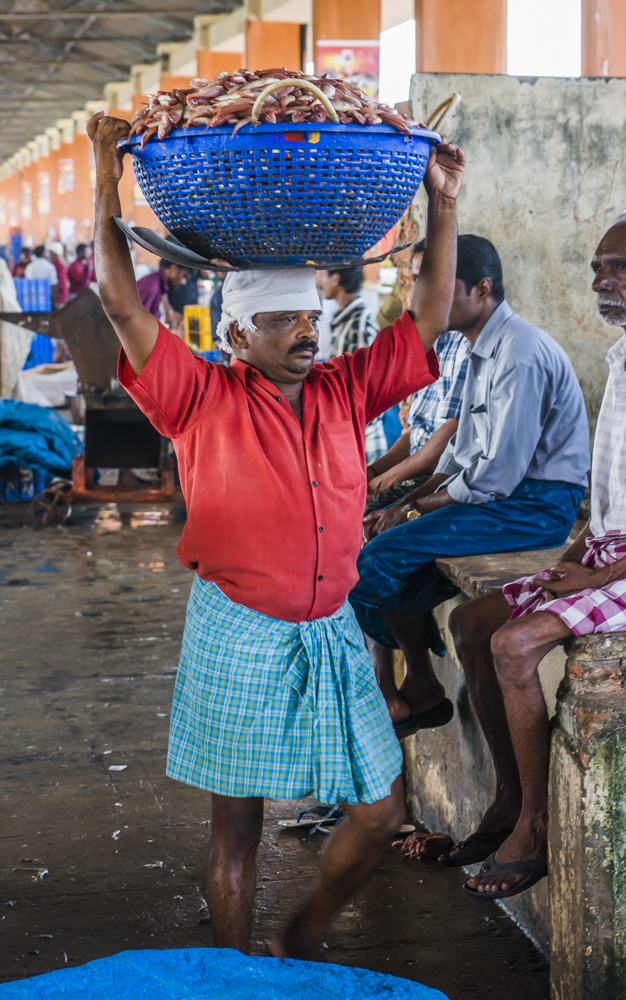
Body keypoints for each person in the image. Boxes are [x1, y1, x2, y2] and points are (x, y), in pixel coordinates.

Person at [87, 107, 464, 959]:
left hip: (329, 630)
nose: (306, 333)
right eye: (283, 322)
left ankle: (303, 934)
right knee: (238, 832)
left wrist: (442, 202)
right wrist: (104, 176)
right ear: (235, 334)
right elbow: (117, 298)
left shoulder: (341, 388)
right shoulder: (197, 396)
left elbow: (429, 317)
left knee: (381, 814)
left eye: (312, 320)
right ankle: (231, 969)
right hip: (239, 629)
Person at [444, 218, 626, 900]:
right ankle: (513, 797)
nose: (600, 281)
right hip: (608, 550)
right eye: (597, 266)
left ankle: (538, 823)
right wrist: (578, 555)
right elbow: (608, 494)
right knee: (472, 625)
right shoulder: (621, 356)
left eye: (617, 268)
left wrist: (601, 574)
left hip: (624, 567)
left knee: (517, 646)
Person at [350, 235, 590, 743]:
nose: (421, 297)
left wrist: (412, 513)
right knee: (364, 547)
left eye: (436, 283)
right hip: (501, 498)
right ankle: (418, 680)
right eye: (418, 281)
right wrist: (409, 500)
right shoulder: (479, 348)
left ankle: (418, 681)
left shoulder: (520, 352)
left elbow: (496, 476)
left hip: (536, 505)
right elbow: (461, 458)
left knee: (380, 559)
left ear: (481, 289)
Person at [366, 238, 469, 513]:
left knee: (365, 520)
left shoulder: (467, 343)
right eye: (415, 279)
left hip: (441, 476)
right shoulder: (429, 342)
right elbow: (416, 432)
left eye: (430, 278)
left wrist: (386, 479)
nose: (418, 290)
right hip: (416, 468)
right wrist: (374, 471)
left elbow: (450, 434)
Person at [316, 265, 387, 464]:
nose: (319, 281)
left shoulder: (358, 325)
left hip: (363, 443)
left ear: (336, 279)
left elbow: (361, 390)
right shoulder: (345, 320)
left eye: (322, 275)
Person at [48, 241, 69, 306]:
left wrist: (57, 298)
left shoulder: (59, 264)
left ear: (55, 253)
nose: (50, 255)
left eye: (51, 253)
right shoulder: (55, 263)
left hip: (60, 295)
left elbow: (62, 282)